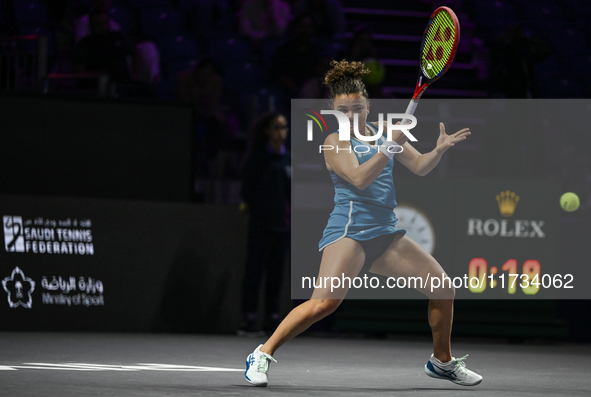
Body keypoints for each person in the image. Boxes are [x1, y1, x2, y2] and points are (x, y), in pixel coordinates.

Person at [244, 60, 482, 387]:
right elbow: (358, 178)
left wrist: (437, 151)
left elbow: (420, 167)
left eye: (358, 107)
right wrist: (387, 146)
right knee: (324, 303)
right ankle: (262, 352)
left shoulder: (385, 134)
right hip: (349, 232)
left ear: (368, 106)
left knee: (443, 288)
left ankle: (442, 361)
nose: (353, 114)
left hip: (387, 234)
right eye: (344, 109)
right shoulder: (333, 142)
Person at [238, 112, 291, 336]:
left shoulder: (289, 160)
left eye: (284, 127)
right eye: (277, 127)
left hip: (282, 225)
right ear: (267, 131)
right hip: (260, 224)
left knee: (276, 274)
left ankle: (272, 319)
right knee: (255, 271)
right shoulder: (257, 159)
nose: (282, 132)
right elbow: (246, 191)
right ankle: (247, 319)